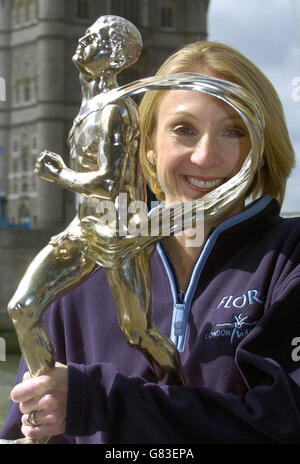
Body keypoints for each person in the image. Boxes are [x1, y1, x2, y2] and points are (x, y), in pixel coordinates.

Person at [1, 40, 300, 444]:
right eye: (183, 130)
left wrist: (96, 401)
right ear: (149, 146)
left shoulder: (289, 260)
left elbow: (281, 427)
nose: (205, 156)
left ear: (261, 150)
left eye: (234, 131)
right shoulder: (78, 280)